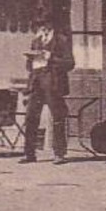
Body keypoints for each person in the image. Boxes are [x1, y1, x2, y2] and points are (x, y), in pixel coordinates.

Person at [21, 12, 76, 165]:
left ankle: (59, 154)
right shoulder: (36, 41)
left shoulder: (62, 41)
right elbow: (30, 67)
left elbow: (70, 63)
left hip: (54, 85)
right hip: (37, 84)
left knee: (58, 118)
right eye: (40, 26)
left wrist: (50, 57)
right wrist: (31, 59)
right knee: (31, 118)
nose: (43, 29)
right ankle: (29, 153)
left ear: (52, 25)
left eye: (46, 25)